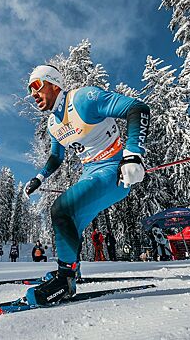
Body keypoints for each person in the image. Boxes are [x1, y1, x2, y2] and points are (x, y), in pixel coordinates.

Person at [22, 64, 150, 305]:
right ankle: (70, 269)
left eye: (37, 86)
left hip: (114, 170)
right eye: (30, 90)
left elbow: (137, 108)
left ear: (53, 83)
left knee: (61, 210)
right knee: (71, 224)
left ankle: (65, 282)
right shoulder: (53, 124)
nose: (33, 94)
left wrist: (133, 154)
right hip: (90, 173)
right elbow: (56, 157)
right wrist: (39, 178)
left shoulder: (83, 99)